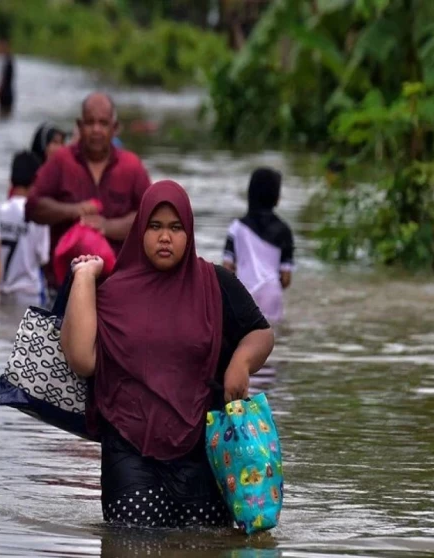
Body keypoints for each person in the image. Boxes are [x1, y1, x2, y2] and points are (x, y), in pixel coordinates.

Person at [61, 180, 275, 528]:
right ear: (140, 230)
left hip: (203, 451)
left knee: (204, 547)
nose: (165, 237)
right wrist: (85, 276)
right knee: (131, 541)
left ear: (189, 233)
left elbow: (261, 333)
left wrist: (242, 361)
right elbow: (82, 358)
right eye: (155, 226)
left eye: (175, 228)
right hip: (129, 450)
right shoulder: (113, 293)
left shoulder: (215, 283)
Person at [25, 92, 151, 288]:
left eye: (103, 123)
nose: (96, 130)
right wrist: (73, 211)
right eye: (90, 123)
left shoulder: (132, 167)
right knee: (36, 318)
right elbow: (32, 207)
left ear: (114, 128)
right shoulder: (61, 161)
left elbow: (150, 218)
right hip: (62, 287)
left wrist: (107, 227)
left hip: (118, 287)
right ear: (79, 125)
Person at [223, 167, 294, 326]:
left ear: (249, 194)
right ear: (277, 198)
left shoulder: (236, 227)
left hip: (243, 293)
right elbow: (286, 278)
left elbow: (227, 268)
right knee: (271, 339)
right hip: (271, 294)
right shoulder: (285, 231)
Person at [0, 151, 50, 304]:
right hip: (30, 294)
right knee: (38, 329)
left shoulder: (1, 211)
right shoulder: (38, 215)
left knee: (3, 329)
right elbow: (43, 257)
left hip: (3, 292)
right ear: (36, 180)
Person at [0, 38, 15, 118]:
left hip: (6, 93)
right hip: (7, 92)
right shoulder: (7, 59)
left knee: (4, 115)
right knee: (5, 115)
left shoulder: (7, 60)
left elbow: (4, 79)